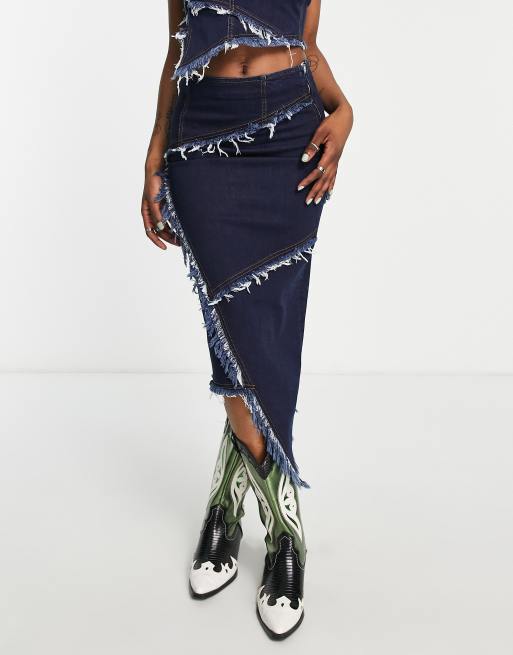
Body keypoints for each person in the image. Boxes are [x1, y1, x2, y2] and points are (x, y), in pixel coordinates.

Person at [141, 0, 353, 640]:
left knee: (271, 338)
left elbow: (306, 43)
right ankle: (287, 532)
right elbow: (178, 47)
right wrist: (154, 155)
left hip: (291, 135)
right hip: (205, 138)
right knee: (229, 331)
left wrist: (345, 111)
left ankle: (227, 508)